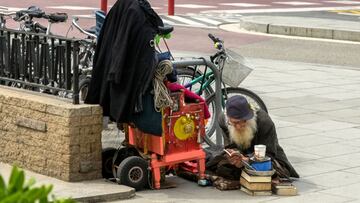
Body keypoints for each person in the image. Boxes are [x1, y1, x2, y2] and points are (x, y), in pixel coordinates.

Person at [206, 95, 299, 185]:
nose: (238, 126)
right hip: (241, 156)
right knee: (217, 162)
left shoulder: (264, 121)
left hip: (265, 157)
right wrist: (234, 156)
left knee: (269, 168)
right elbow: (230, 146)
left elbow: (269, 153)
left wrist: (248, 160)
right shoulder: (223, 119)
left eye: (242, 121)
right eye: (234, 123)